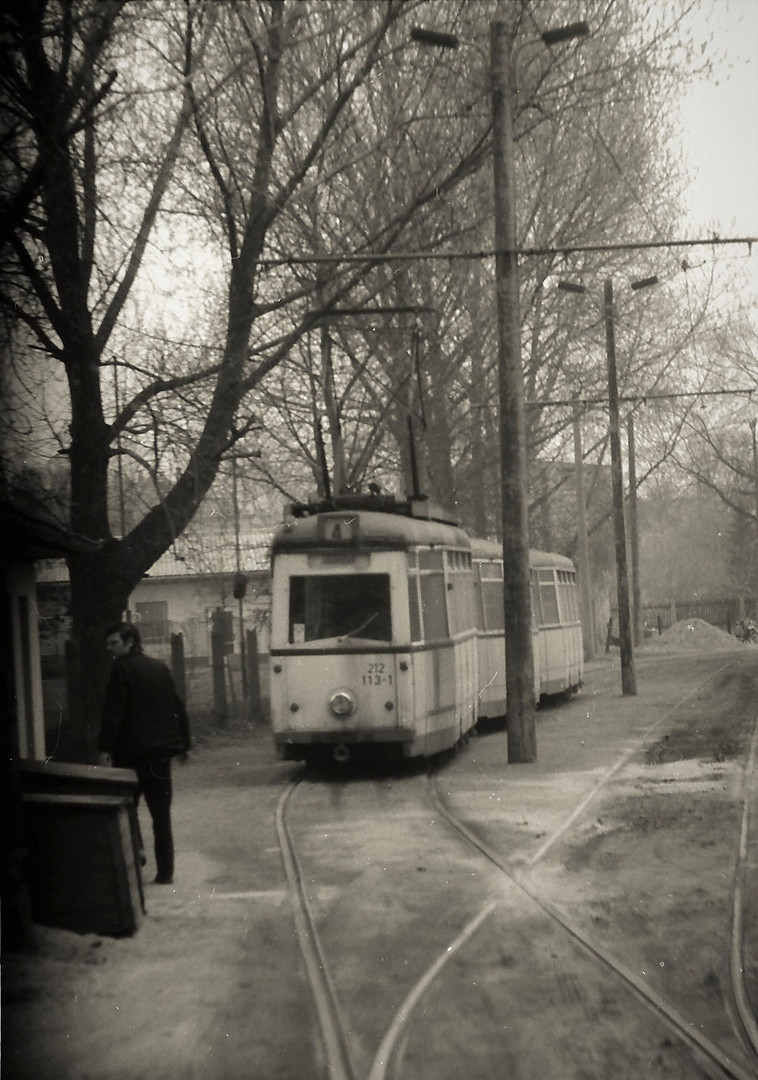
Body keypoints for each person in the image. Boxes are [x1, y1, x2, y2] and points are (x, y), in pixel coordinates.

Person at [98, 622, 190, 885]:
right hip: (160, 754)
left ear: (129, 642)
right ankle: (166, 873)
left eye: (114, 643)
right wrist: (183, 744)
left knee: (128, 806)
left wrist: (105, 748)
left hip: (130, 754)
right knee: (161, 814)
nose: (110, 649)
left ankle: (136, 853)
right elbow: (177, 707)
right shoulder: (160, 668)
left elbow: (114, 712)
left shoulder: (121, 669)